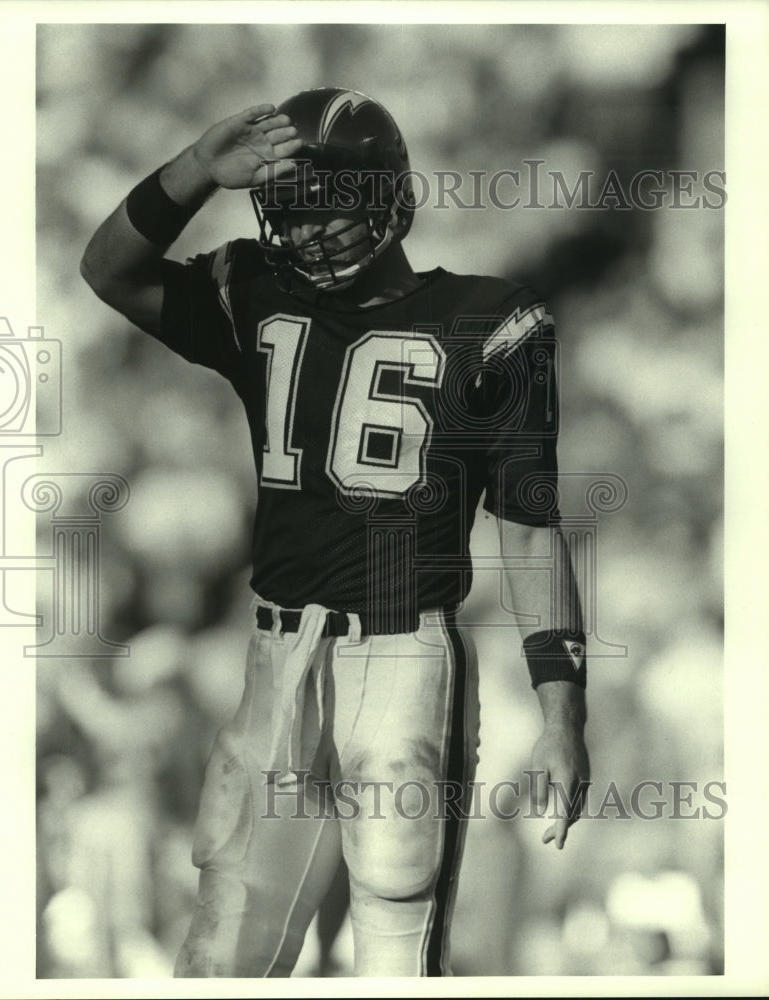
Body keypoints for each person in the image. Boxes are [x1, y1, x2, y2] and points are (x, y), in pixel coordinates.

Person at [81, 86, 590, 978]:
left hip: (403, 661)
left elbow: (530, 531)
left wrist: (561, 711)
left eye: (327, 208)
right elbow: (110, 270)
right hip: (275, 658)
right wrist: (198, 169)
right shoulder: (255, 291)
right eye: (287, 212)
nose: (307, 234)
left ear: (388, 194)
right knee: (220, 955)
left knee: (392, 953)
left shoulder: (488, 320)